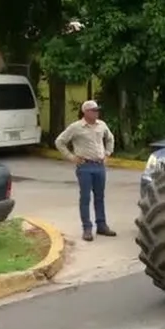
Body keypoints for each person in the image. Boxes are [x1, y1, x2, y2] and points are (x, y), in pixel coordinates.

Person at [55, 100, 117, 241]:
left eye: (97, 110)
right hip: (85, 166)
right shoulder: (76, 127)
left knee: (99, 197)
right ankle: (87, 228)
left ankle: (101, 225)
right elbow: (60, 141)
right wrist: (71, 157)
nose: (97, 112)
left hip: (99, 165)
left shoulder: (102, 125)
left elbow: (110, 138)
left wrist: (107, 153)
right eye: (94, 110)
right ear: (86, 112)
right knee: (85, 198)